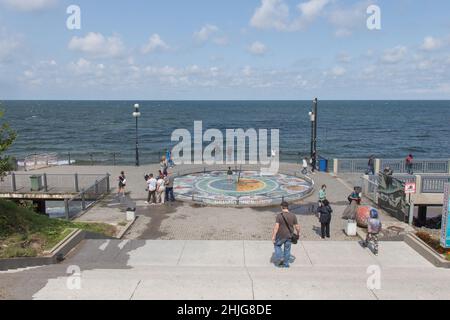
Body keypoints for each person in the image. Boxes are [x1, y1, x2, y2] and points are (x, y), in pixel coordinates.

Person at [271, 202, 300, 268]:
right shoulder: (293, 215)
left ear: (281, 207)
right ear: (287, 207)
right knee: (287, 250)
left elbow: (276, 227)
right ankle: (286, 264)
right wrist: (298, 234)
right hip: (289, 236)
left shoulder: (279, 216)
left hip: (280, 236)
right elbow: (297, 227)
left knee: (277, 245)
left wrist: (273, 236)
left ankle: (280, 257)